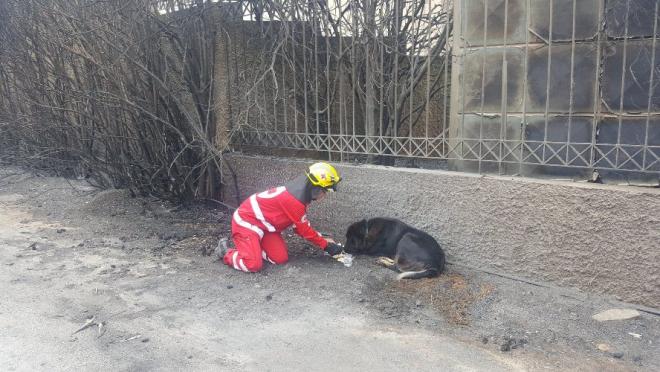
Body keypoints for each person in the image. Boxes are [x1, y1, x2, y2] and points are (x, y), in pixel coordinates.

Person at [220, 162, 344, 273]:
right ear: (315, 188)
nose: (325, 195)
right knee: (253, 265)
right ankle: (227, 253)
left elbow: (300, 226)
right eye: (325, 191)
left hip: (265, 226)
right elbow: (303, 230)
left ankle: (253, 248)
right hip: (246, 222)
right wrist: (326, 245)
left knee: (279, 258)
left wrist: (323, 240)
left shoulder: (299, 195)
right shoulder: (295, 201)